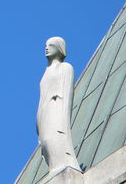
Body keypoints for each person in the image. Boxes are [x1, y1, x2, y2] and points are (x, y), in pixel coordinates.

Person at [36, 37, 82, 176]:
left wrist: (63, 120)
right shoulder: (46, 72)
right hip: (44, 111)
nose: (47, 48)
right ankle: (54, 169)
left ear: (59, 48)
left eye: (51, 45)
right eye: (46, 45)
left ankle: (62, 165)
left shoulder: (66, 68)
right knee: (45, 141)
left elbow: (67, 94)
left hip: (57, 108)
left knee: (53, 137)